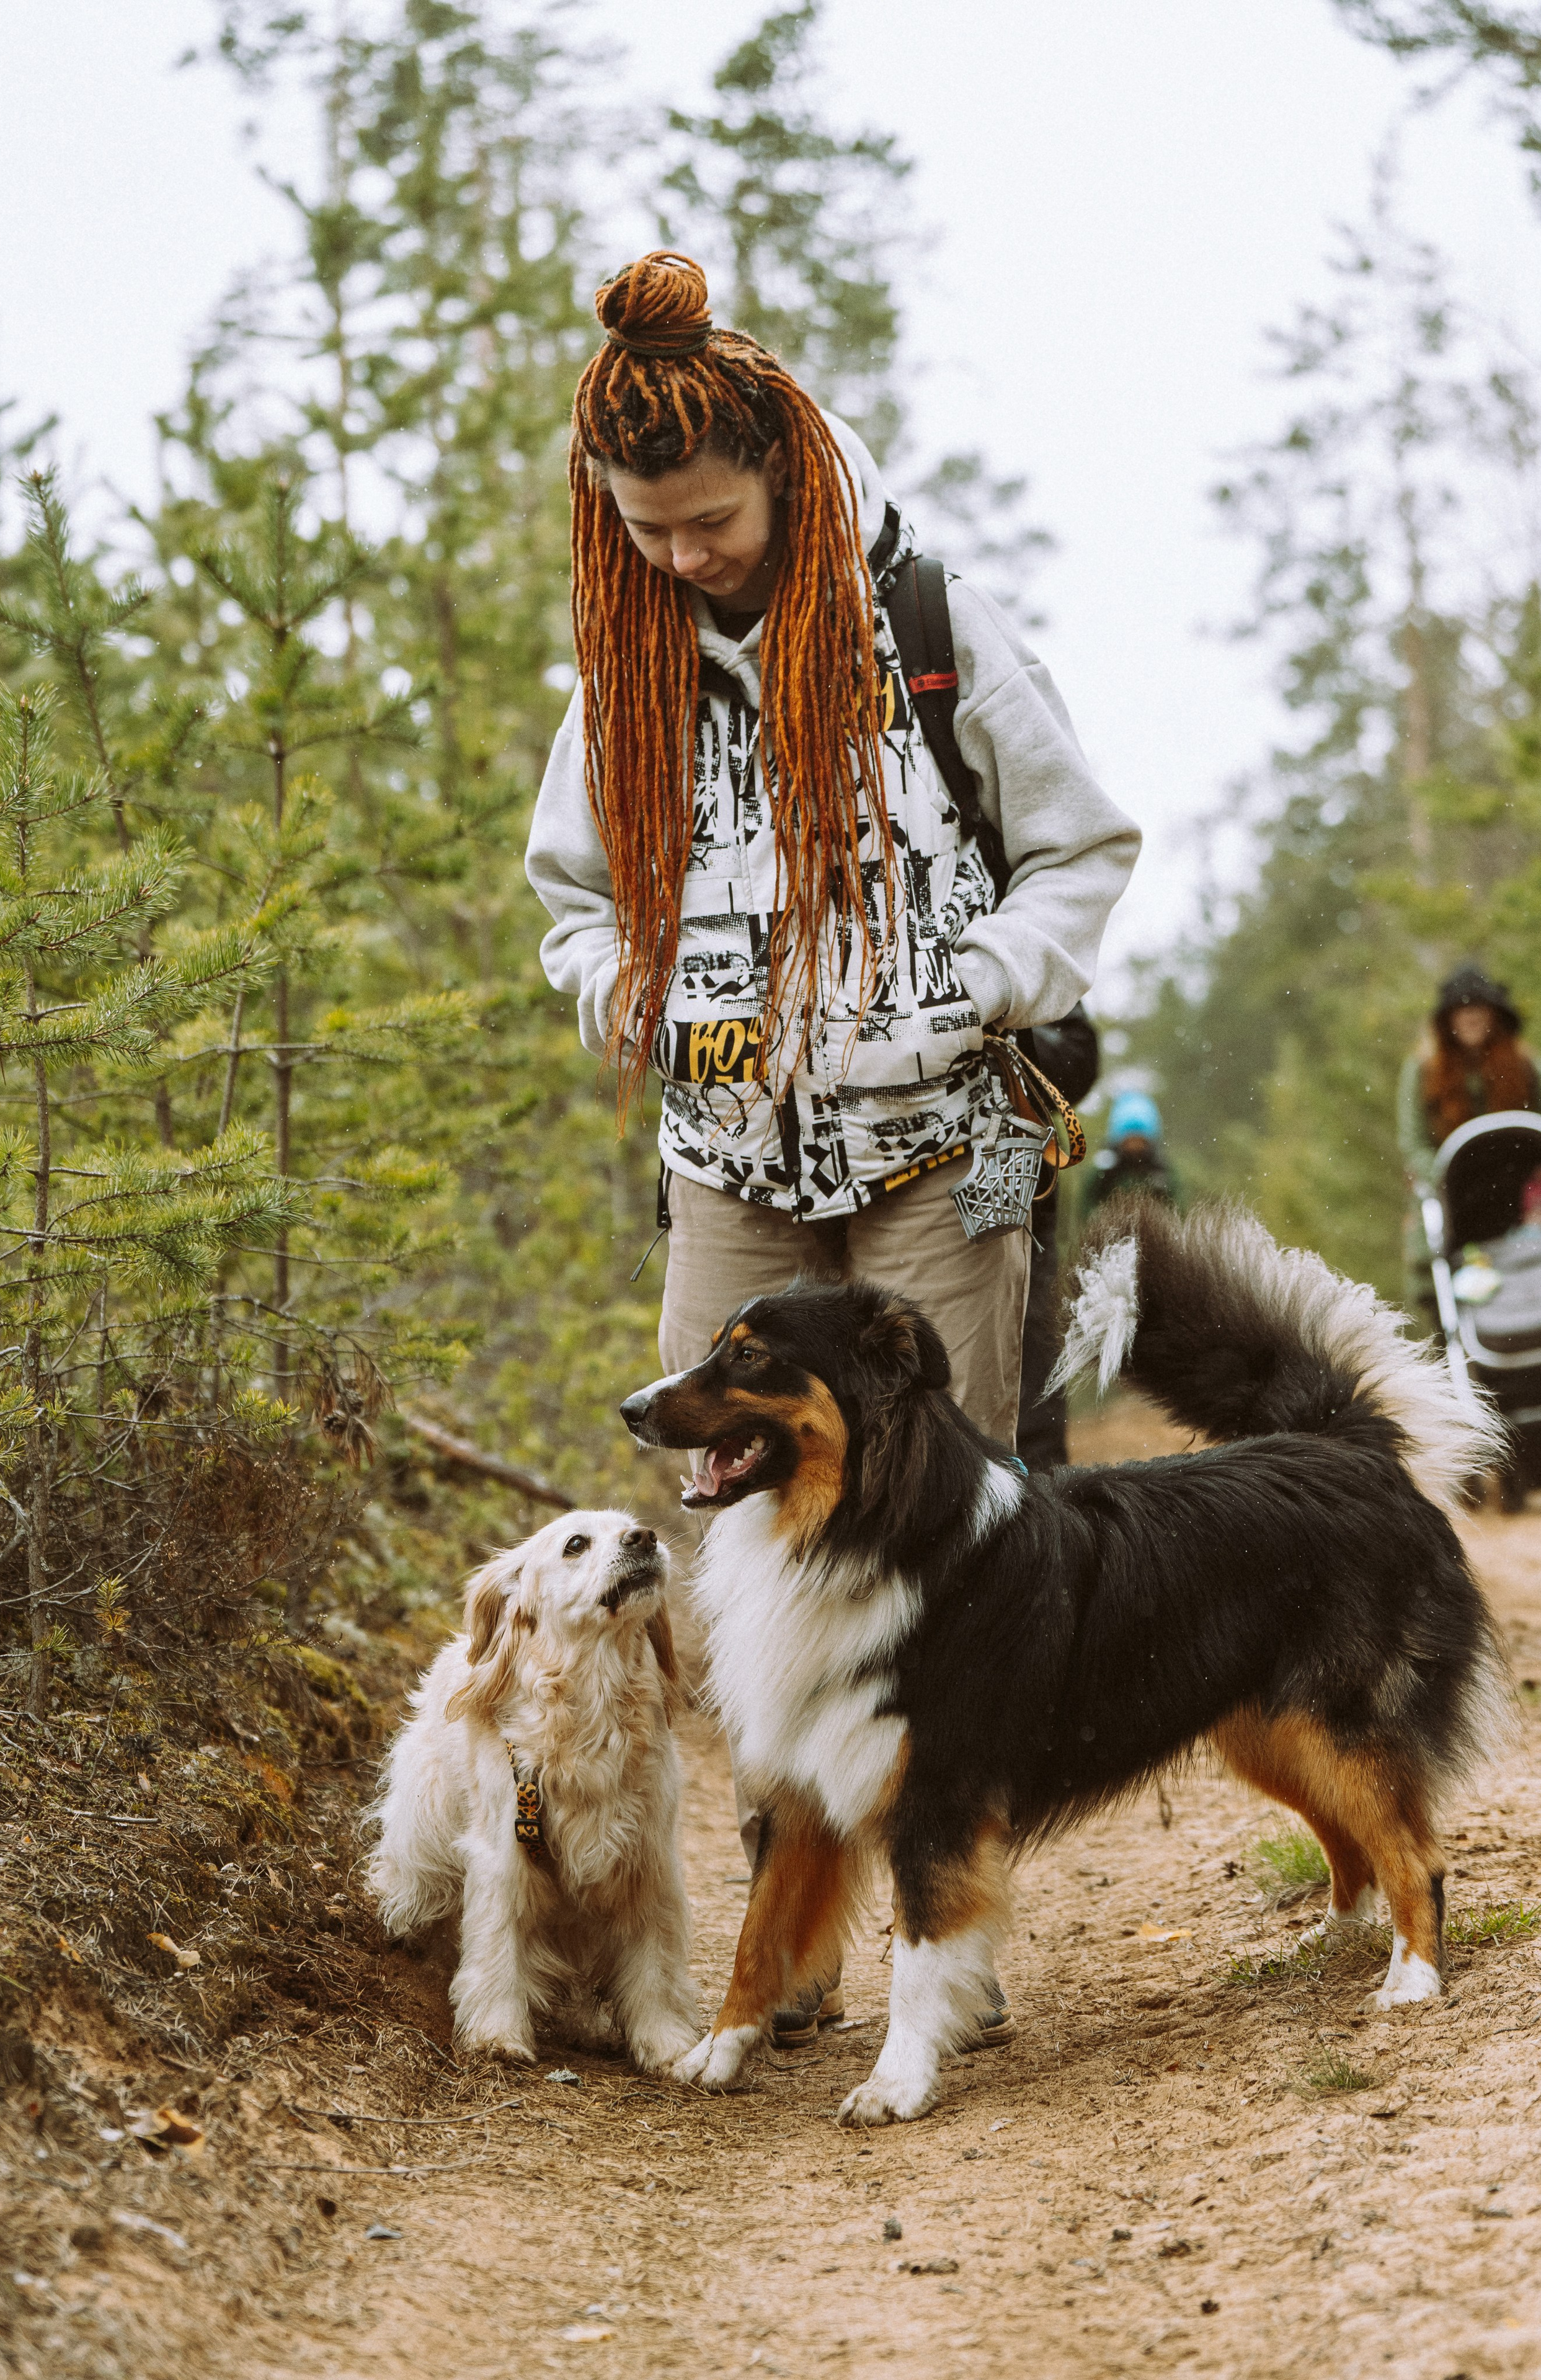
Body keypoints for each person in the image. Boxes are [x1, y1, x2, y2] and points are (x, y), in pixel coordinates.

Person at [526, 251, 1140, 2047]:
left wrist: (970, 993)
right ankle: (783, 1950)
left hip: (942, 1155)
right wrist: (619, 994)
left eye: (707, 521)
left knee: (944, 1536)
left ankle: (946, 1930)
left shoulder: (936, 625)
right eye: (645, 531)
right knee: (738, 1524)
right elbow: (572, 900)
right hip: (727, 1160)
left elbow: (1084, 850)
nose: (682, 558)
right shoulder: (621, 668)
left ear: (782, 470)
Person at [1398, 962, 1541, 1318]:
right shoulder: (1423, 1072)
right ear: (1447, 1021)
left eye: (1478, 1008)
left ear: (1494, 1014)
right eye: (1461, 1011)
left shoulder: (1525, 1063)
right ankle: (1454, 1340)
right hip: (1458, 1198)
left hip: (1523, 1190)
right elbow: (1414, 1144)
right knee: (1431, 1254)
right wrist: (1444, 1178)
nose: (1471, 1018)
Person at [1015, 1002, 1099, 1472]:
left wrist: (1011, 1040)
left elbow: (1080, 1061)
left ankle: (1044, 1493)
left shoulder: (1021, 934)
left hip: (1021, 1206)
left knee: (1033, 1342)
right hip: (866, 1203)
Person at [1081, 1089, 1178, 1216]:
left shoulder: (1163, 1173)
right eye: (1130, 1139)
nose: (1135, 1145)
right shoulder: (1103, 1171)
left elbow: (1178, 1210)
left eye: (1140, 1139)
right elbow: (1087, 1207)